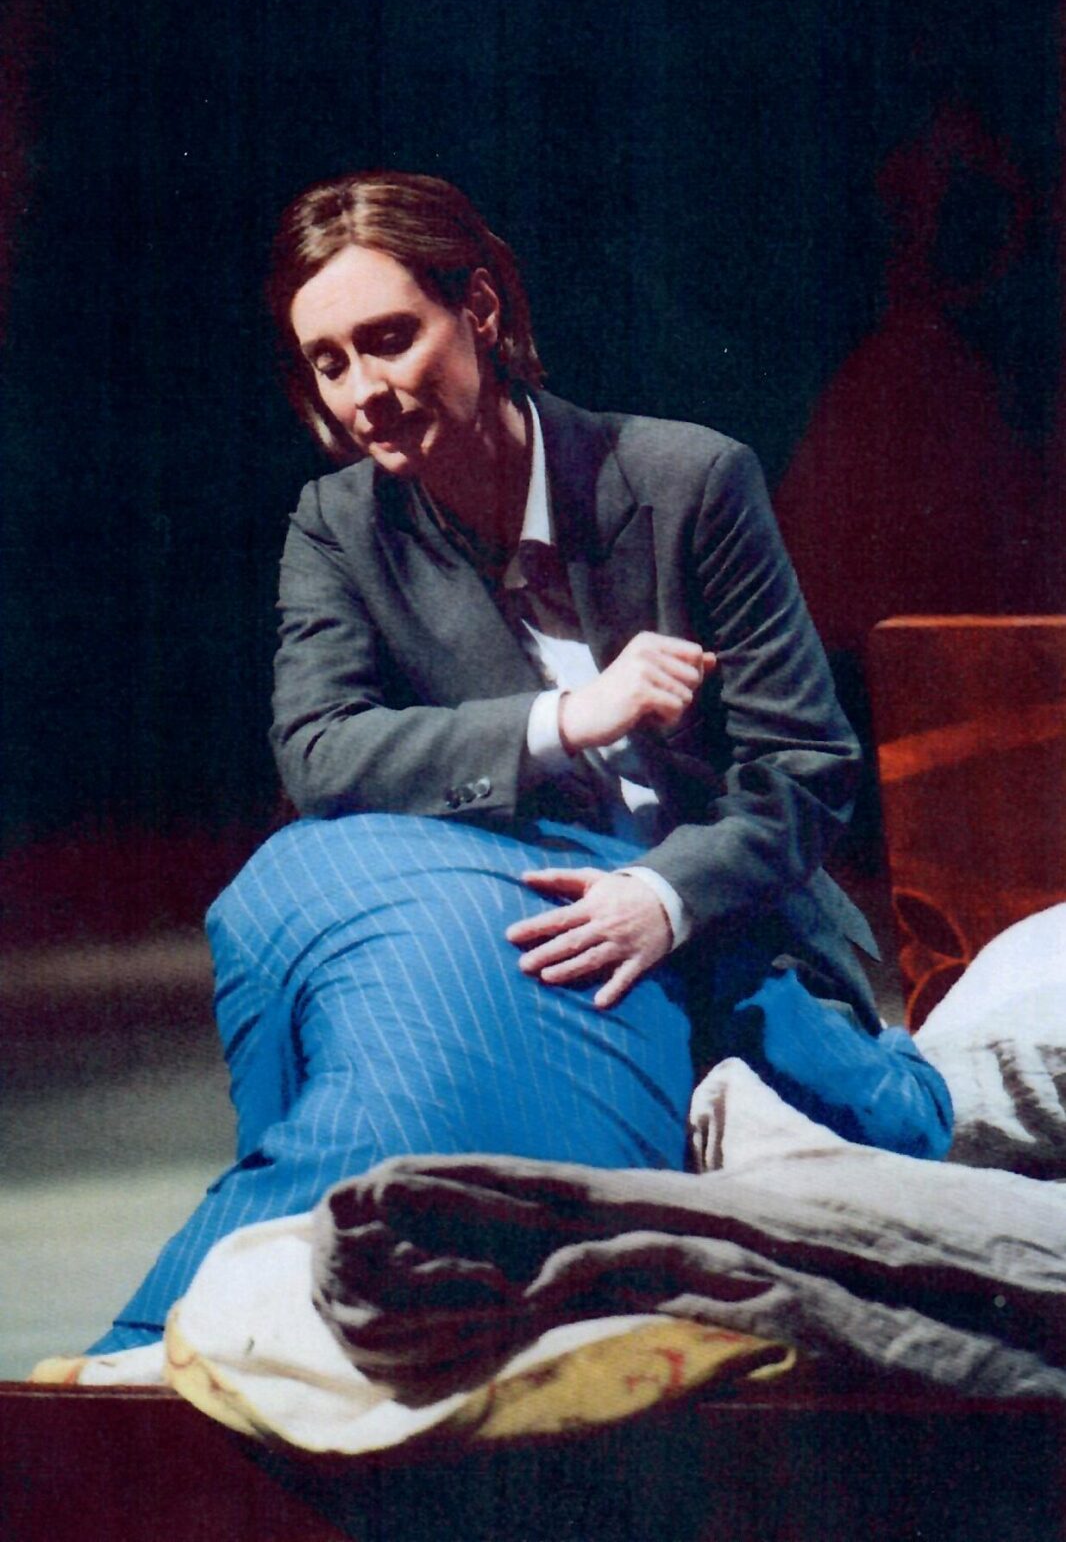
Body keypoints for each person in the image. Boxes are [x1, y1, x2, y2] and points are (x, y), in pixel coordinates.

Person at [89, 171, 950, 1355]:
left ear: (481, 311)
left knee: (882, 1137)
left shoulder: (688, 479)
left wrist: (661, 898)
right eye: (328, 363)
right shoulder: (337, 525)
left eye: (389, 339)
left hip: (724, 921)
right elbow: (320, 751)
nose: (363, 392)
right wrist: (567, 718)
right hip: (520, 931)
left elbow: (803, 766)